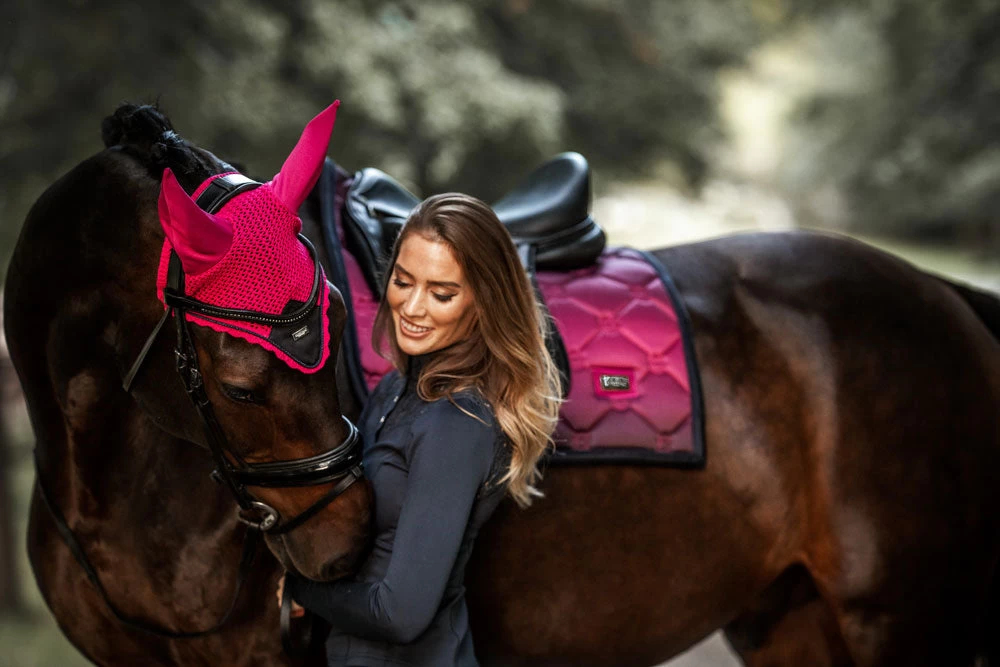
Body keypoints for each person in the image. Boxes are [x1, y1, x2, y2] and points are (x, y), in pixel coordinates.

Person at [278, 192, 562, 666]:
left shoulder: (456, 423)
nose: (411, 307)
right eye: (403, 281)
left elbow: (400, 615)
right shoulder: (397, 386)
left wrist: (303, 588)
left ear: (483, 302)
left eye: (441, 294)